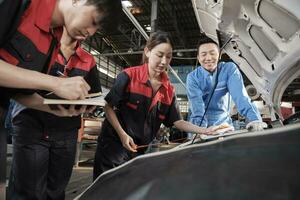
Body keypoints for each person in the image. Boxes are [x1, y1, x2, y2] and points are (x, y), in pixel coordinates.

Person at [93, 31, 219, 179]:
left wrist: (205, 130)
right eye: (159, 55)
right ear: (147, 52)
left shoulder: (168, 90)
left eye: (169, 56)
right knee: (106, 189)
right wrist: (122, 134)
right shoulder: (128, 76)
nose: (164, 61)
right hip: (113, 147)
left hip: (139, 151)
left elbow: (177, 121)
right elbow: (108, 107)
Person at [8, 27, 103, 199]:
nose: (90, 29)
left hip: (66, 132)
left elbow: (94, 94)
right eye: (89, 19)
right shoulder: (39, 46)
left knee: (56, 190)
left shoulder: (88, 60)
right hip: (31, 126)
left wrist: (88, 105)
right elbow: (17, 87)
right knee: (28, 191)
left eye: (96, 25)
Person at [186, 36, 267, 132]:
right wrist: (201, 132)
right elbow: (197, 109)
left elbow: (241, 97)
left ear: (219, 55)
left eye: (212, 53)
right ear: (198, 58)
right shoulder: (193, 77)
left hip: (224, 125)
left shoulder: (229, 69)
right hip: (200, 126)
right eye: (203, 54)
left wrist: (255, 119)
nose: (208, 58)